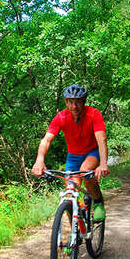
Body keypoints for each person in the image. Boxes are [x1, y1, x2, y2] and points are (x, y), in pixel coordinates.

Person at [31, 84, 110, 220]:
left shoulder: (93, 114)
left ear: (84, 102)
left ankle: (98, 202)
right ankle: (75, 232)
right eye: (71, 102)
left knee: (85, 171)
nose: (74, 106)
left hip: (92, 153)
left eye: (78, 102)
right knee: (69, 195)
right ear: (66, 102)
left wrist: (103, 163)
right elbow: (46, 140)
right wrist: (39, 160)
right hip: (73, 157)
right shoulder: (61, 117)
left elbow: (101, 138)